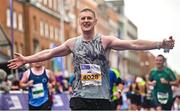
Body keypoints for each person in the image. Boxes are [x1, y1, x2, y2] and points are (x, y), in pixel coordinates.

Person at [8, 8, 175, 110]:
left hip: (101, 99)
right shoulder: (72, 43)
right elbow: (48, 53)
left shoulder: (105, 41)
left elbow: (133, 44)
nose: (86, 21)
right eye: (83, 18)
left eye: (89, 18)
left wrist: (160, 43)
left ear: (94, 21)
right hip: (79, 98)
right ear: (79, 22)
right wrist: (26, 59)